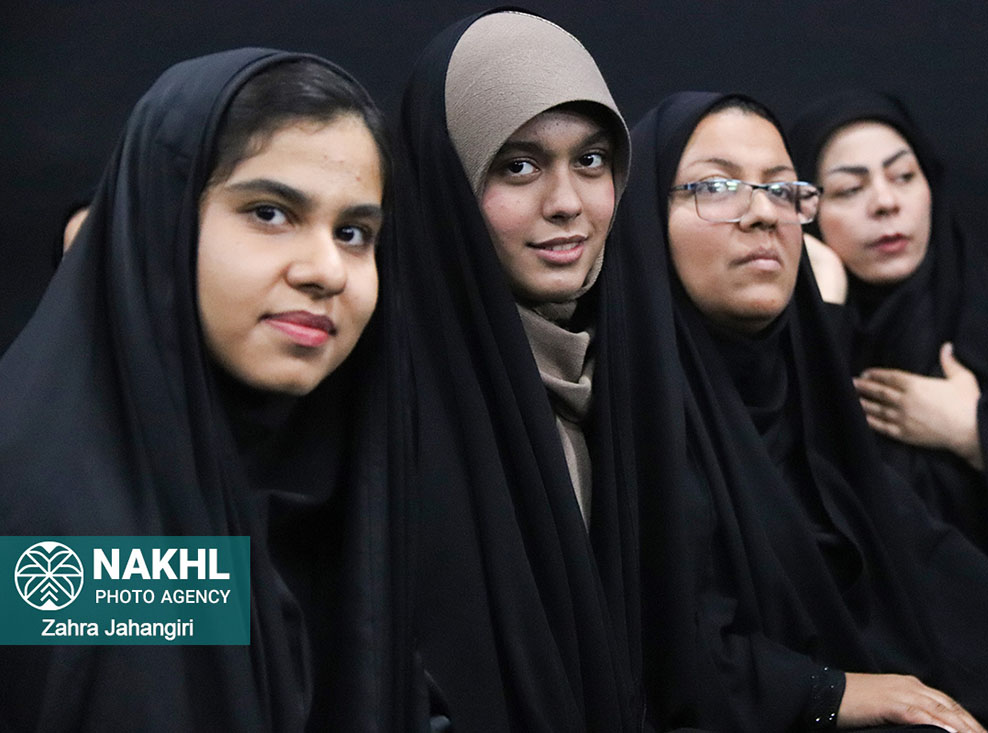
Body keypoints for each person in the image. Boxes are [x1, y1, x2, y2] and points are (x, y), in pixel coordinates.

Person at [607, 90, 988, 731]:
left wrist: (983, 436)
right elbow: (663, 648)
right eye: (717, 186)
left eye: (781, 189)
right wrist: (827, 693)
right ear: (645, 212)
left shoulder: (807, 394)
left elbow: (927, 571)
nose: (762, 213)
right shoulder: (619, 409)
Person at [0, 49, 418, 730]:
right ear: (163, 220)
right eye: (270, 213)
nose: (327, 270)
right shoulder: (62, 520)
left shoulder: (359, 474)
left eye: (353, 233)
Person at [396, 10, 641, 731]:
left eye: (591, 160)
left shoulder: (626, 375)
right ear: (449, 181)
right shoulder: (384, 399)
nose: (567, 203)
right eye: (518, 166)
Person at [789, 90, 988, 649]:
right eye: (850, 189)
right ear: (804, 210)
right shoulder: (788, 336)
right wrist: (825, 308)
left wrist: (978, 435)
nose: (886, 203)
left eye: (904, 177)